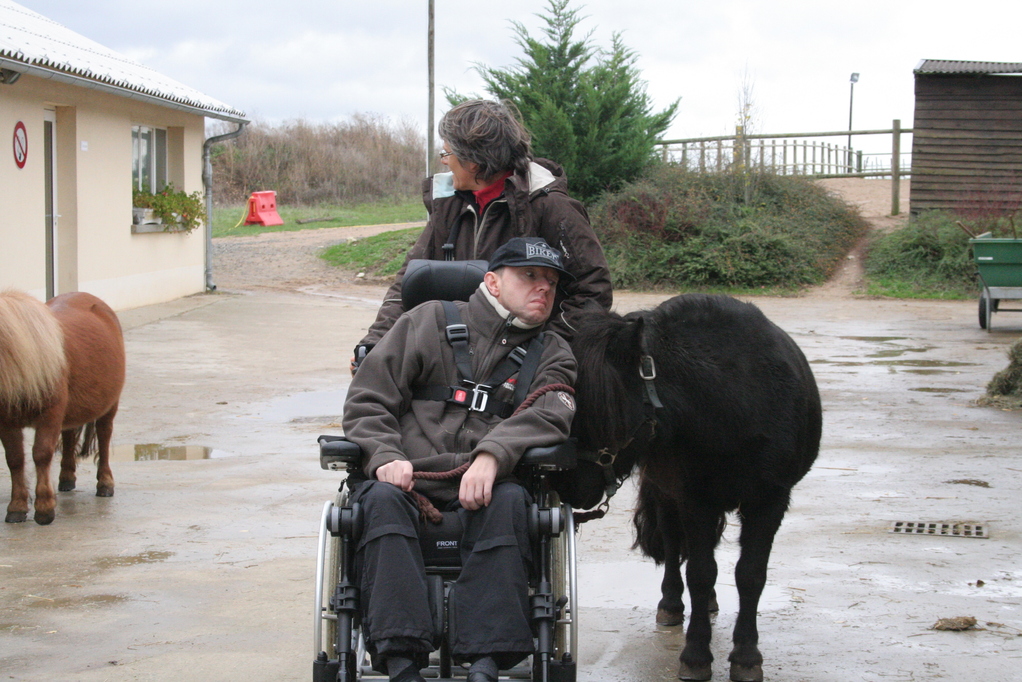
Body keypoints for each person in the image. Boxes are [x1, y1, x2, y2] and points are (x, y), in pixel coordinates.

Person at [342, 237, 578, 682]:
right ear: (491, 281)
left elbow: (554, 410)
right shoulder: (426, 321)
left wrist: (493, 455)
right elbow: (367, 399)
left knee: (511, 502)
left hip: (490, 489)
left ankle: (485, 666)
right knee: (378, 501)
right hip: (410, 483)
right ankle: (401, 663)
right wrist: (385, 456)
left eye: (550, 281)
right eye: (529, 276)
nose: (543, 288)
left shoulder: (553, 352)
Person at [352, 99, 611, 372]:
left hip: (525, 367)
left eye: (447, 153)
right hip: (455, 356)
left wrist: (541, 349)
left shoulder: (551, 207)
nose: (445, 162)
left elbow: (593, 291)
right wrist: (376, 342)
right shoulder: (449, 205)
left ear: (474, 162)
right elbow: (408, 283)